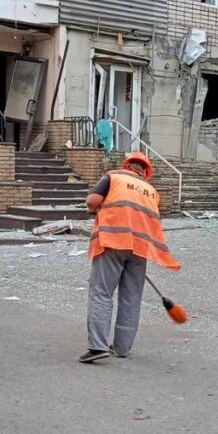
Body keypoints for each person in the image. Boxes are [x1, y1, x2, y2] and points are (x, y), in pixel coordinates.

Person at [79, 152, 181, 363]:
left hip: (112, 243)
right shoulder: (151, 191)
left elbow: (93, 200)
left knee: (102, 293)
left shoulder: (113, 176)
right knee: (131, 298)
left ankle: (98, 346)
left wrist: (92, 209)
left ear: (126, 165)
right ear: (145, 171)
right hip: (139, 249)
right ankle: (122, 348)